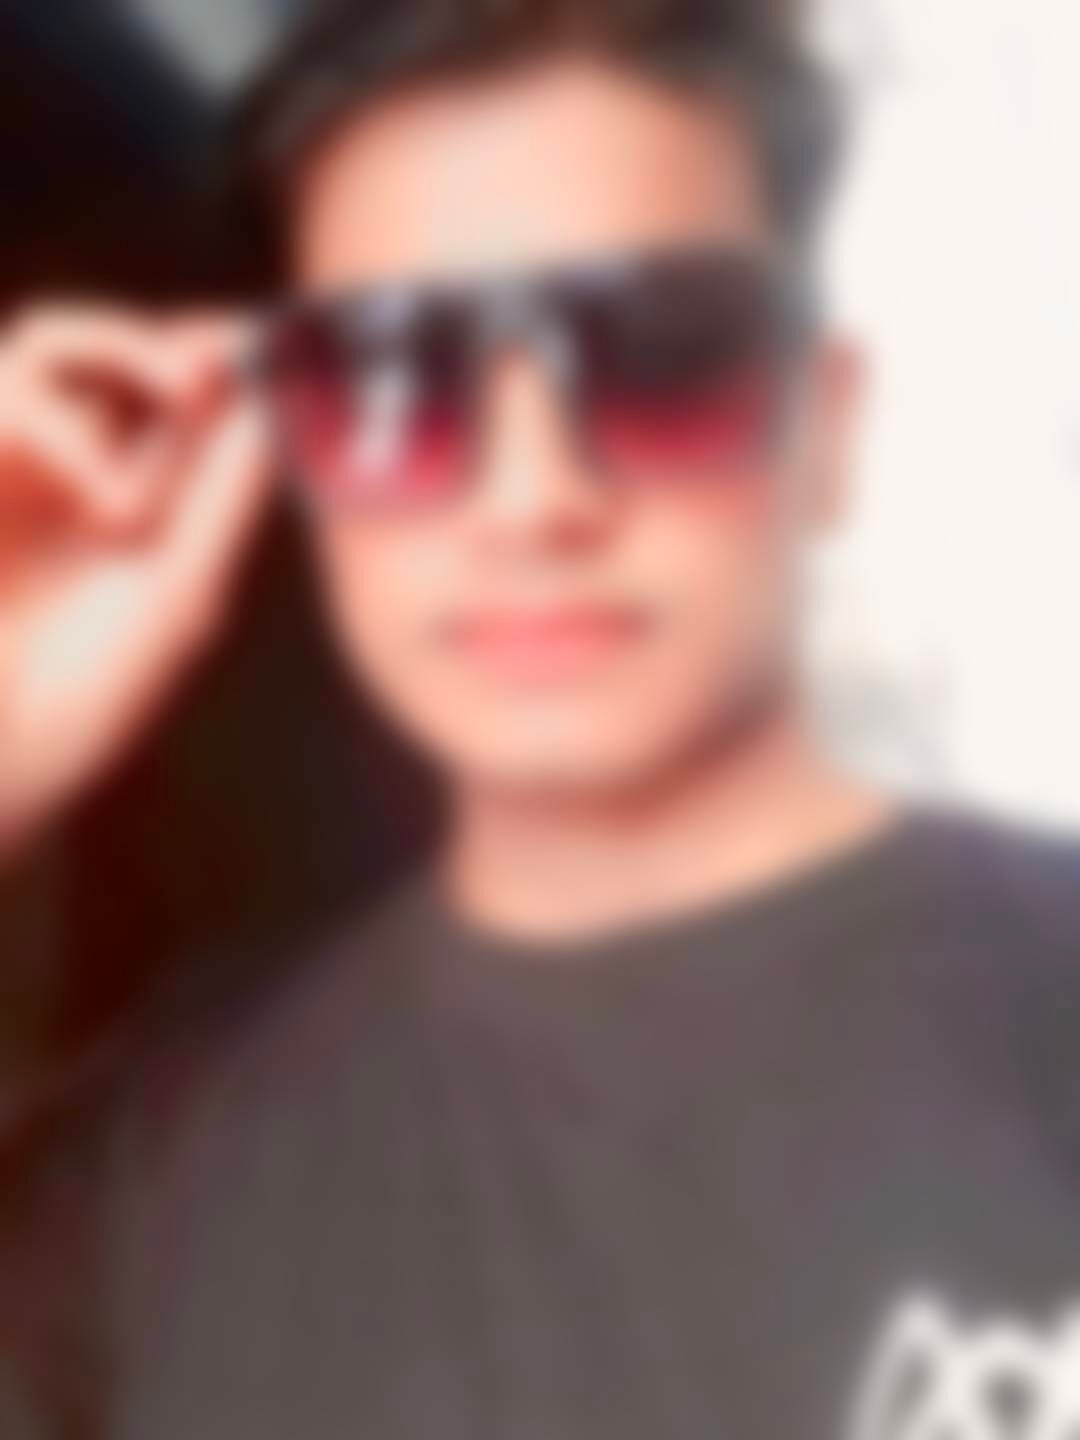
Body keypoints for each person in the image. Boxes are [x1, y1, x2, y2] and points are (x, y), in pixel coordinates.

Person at [1, 2, 1079, 1437]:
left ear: (825, 427)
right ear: (292, 455)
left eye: (662, 354)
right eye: (392, 382)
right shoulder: (143, 1178)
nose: (530, 499)